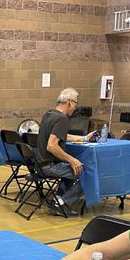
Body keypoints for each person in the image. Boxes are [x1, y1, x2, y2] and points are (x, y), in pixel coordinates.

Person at [36, 88, 95, 216]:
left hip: (39, 165)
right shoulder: (62, 119)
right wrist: (72, 160)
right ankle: (64, 201)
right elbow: (51, 146)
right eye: (75, 103)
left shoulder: (49, 114)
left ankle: (58, 202)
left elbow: (60, 135)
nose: (75, 107)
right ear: (69, 102)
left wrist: (84, 139)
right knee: (88, 174)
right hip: (50, 166)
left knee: (74, 169)